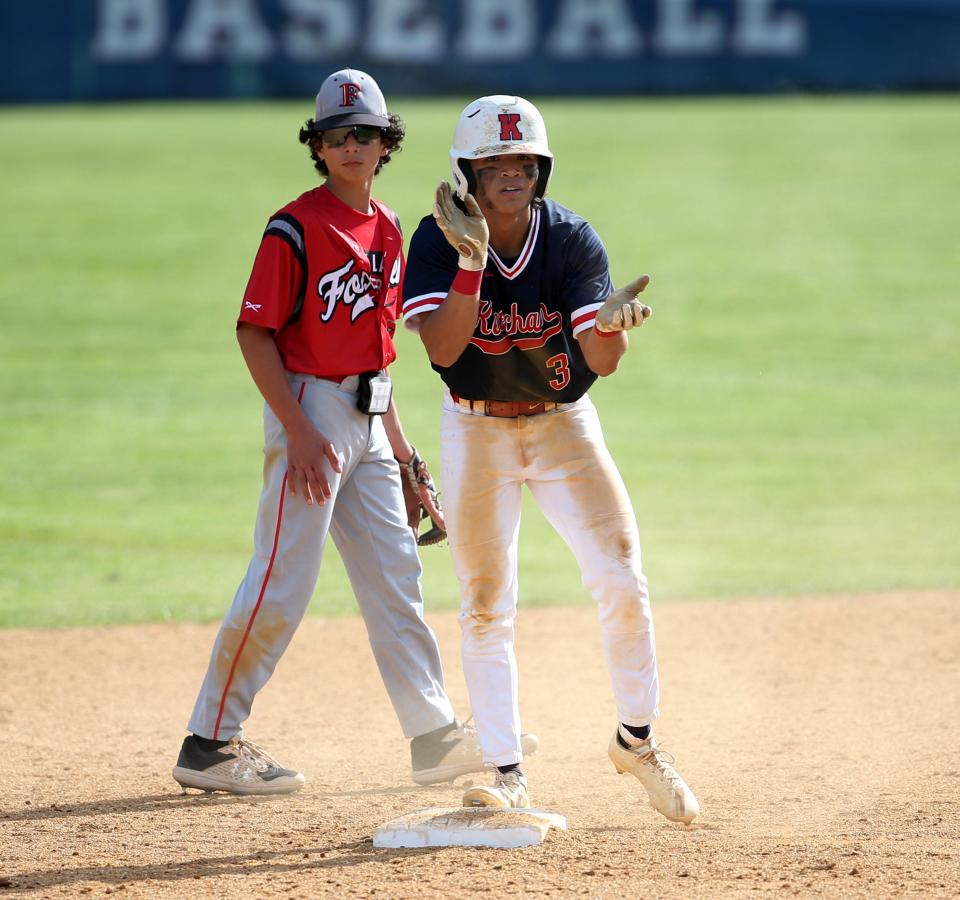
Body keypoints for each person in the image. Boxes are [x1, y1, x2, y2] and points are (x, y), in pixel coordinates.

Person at [172, 71, 535, 796]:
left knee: (397, 576)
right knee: (282, 579)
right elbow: (254, 334)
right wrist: (300, 431)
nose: (350, 146)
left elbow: (379, 354)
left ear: (385, 143)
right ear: (318, 146)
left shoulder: (391, 227)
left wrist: (400, 449)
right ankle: (209, 740)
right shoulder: (293, 227)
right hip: (308, 410)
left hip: (370, 418)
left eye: (363, 133)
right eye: (335, 135)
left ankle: (432, 737)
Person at [401, 95, 699, 823]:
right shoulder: (437, 240)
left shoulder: (570, 240)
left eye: (525, 160)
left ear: (543, 167)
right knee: (484, 602)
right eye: (495, 162)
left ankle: (638, 741)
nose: (513, 173)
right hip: (475, 429)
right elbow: (442, 349)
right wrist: (471, 261)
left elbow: (601, 359)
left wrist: (613, 326)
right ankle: (506, 773)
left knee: (622, 577)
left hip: (563, 424)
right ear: (466, 172)